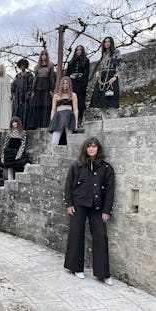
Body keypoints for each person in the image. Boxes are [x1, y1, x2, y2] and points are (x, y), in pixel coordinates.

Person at [64, 137, 115, 286]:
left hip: (98, 207)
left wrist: (107, 211)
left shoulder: (106, 168)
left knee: (101, 236)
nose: (91, 149)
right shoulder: (76, 166)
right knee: (76, 233)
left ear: (98, 149)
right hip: (78, 204)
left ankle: (103, 273)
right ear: (85, 149)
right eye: (89, 146)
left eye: (94, 146)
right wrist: (69, 204)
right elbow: (68, 186)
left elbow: (110, 191)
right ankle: (75, 267)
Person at [90, 37, 123, 120]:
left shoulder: (116, 52)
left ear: (111, 43)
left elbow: (120, 65)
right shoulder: (103, 54)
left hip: (111, 75)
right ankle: (104, 120)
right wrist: (98, 73)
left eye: (109, 42)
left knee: (111, 98)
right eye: (105, 42)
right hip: (103, 77)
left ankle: (113, 120)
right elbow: (101, 67)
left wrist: (115, 76)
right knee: (101, 99)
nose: (107, 43)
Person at [48, 77, 79, 155]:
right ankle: (53, 155)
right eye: (63, 83)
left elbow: (75, 109)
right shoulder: (56, 96)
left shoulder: (73, 95)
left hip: (69, 117)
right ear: (61, 85)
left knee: (70, 139)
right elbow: (53, 110)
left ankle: (70, 156)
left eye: (67, 83)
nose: (65, 85)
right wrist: (51, 122)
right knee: (54, 140)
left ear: (69, 84)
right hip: (58, 117)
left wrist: (76, 123)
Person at [28, 50, 56, 129]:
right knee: (37, 105)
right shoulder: (37, 66)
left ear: (47, 56)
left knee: (46, 105)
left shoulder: (50, 66)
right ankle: (37, 125)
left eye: (45, 55)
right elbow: (35, 78)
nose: (44, 56)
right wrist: (33, 90)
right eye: (42, 55)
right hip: (38, 87)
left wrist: (52, 89)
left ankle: (45, 124)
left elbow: (52, 78)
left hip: (46, 87)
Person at [66, 45, 89, 127]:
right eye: (77, 50)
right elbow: (67, 75)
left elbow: (86, 74)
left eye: (80, 50)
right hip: (72, 84)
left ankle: (79, 121)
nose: (79, 51)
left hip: (80, 84)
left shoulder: (86, 61)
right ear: (75, 51)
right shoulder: (70, 62)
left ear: (82, 51)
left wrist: (84, 85)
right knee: (70, 102)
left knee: (80, 103)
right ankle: (71, 121)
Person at [1, 117, 30, 181]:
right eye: (13, 122)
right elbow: (5, 145)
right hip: (9, 152)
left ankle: (22, 179)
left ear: (18, 123)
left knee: (27, 164)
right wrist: (2, 156)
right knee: (10, 168)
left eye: (15, 122)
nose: (14, 124)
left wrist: (18, 155)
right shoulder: (9, 133)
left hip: (18, 152)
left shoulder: (23, 132)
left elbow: (23, 145)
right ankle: (10, 183)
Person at [11, 58, 33, 129]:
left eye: (23, 65)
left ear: (26, 66)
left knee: (26, 111)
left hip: (26, 97)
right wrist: (13, 95)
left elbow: (31, 85)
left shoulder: (29, 75)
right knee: (18, 112)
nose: (22, 67)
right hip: (18, 98)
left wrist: (28, 93)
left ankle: (26, 126)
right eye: (21, 66)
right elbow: (13, 86)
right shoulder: (17, 76)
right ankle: (18, 126)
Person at [0, 64, 12, 131]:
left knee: (5, 111)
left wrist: (10, 95)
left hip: (5, 96)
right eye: (0, 69)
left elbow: (9, 87)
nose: (1, 70)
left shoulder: (7, 78)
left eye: (2, 69)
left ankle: (6, 125)